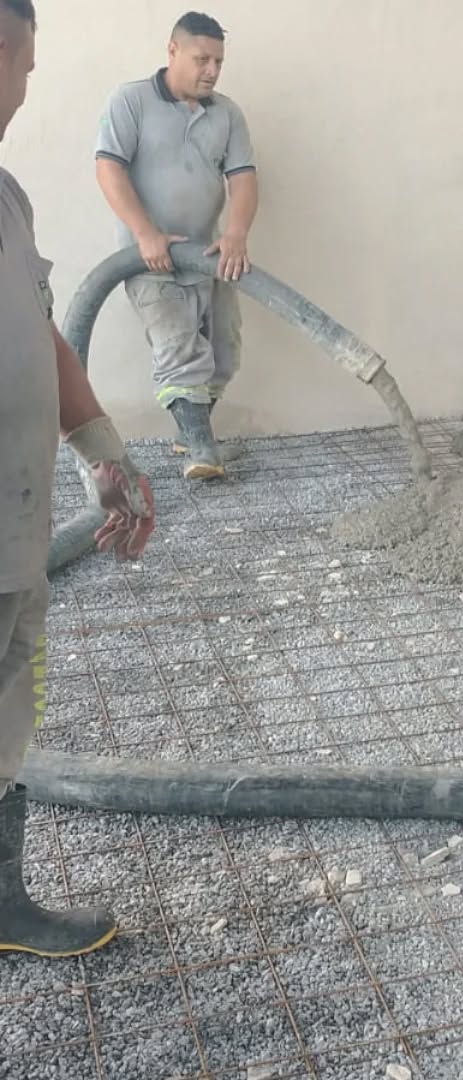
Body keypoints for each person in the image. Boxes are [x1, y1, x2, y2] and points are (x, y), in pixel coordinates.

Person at [1, 0, 156, 957]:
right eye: (26, 59)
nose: (25, 85)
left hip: (15, 534)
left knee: (8, 707)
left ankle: (2, 908)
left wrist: (103, 449)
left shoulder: (5, 197)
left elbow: (42, 330)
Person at [95, 10, 259, 479]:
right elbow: (108, 167)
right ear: (172, 51)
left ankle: (188, 432)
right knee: (179, 349)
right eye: (201, 58)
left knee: (223, 353)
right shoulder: (131, 101)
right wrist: (145, 232)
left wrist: (237, 233)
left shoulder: (226, 114)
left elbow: (244, 178)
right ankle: (202, 450)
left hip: (208, 258)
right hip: (149, 261)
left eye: (218, 62)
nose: (211, 70)